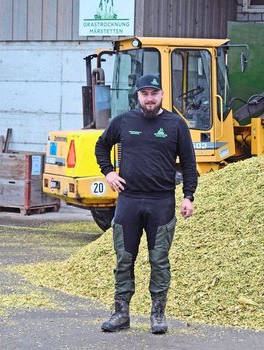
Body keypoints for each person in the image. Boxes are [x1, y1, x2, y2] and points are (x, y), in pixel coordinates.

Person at [95, 74, 197, 334]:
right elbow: (101, 146)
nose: (149, 98)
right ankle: (121, 313)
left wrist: (188, 196)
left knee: (159, 260)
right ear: (138, 96)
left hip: (161, 202)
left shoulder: (176, 124)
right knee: (124, 259)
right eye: (144, 94)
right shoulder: (123, 122)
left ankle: (158, 314)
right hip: (128, 201)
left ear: (162, 95)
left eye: (154, 93)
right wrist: (108, 172)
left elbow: (188, 163)